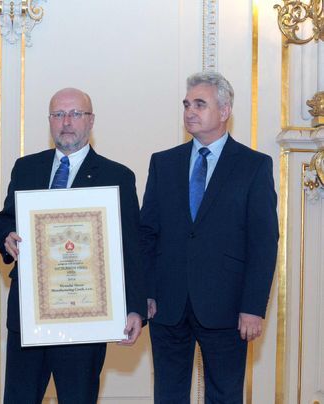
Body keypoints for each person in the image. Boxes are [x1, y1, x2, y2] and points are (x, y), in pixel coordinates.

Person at [0, 88, 147, 403]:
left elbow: (132, 246)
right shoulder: (26, 168)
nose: (66, 122)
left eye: (75, 114)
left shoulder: (117, 176)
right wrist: (6, 236)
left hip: (86, 318)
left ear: (91, 120)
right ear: (49, 120)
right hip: (30, 314)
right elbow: (4, 219)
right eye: (58, 114)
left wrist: (135, 308)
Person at [140, 72, 279, 403]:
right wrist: (145, 292)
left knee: (225, 396)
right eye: (187, 104)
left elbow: (263, 243)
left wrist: (253, 308)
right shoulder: (163, 163)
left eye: (200, 104)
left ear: (225, 110)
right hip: (168, 306)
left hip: (227, 307)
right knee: (168, 395)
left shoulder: (254, 166)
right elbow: (147, 234)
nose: (190, 111)